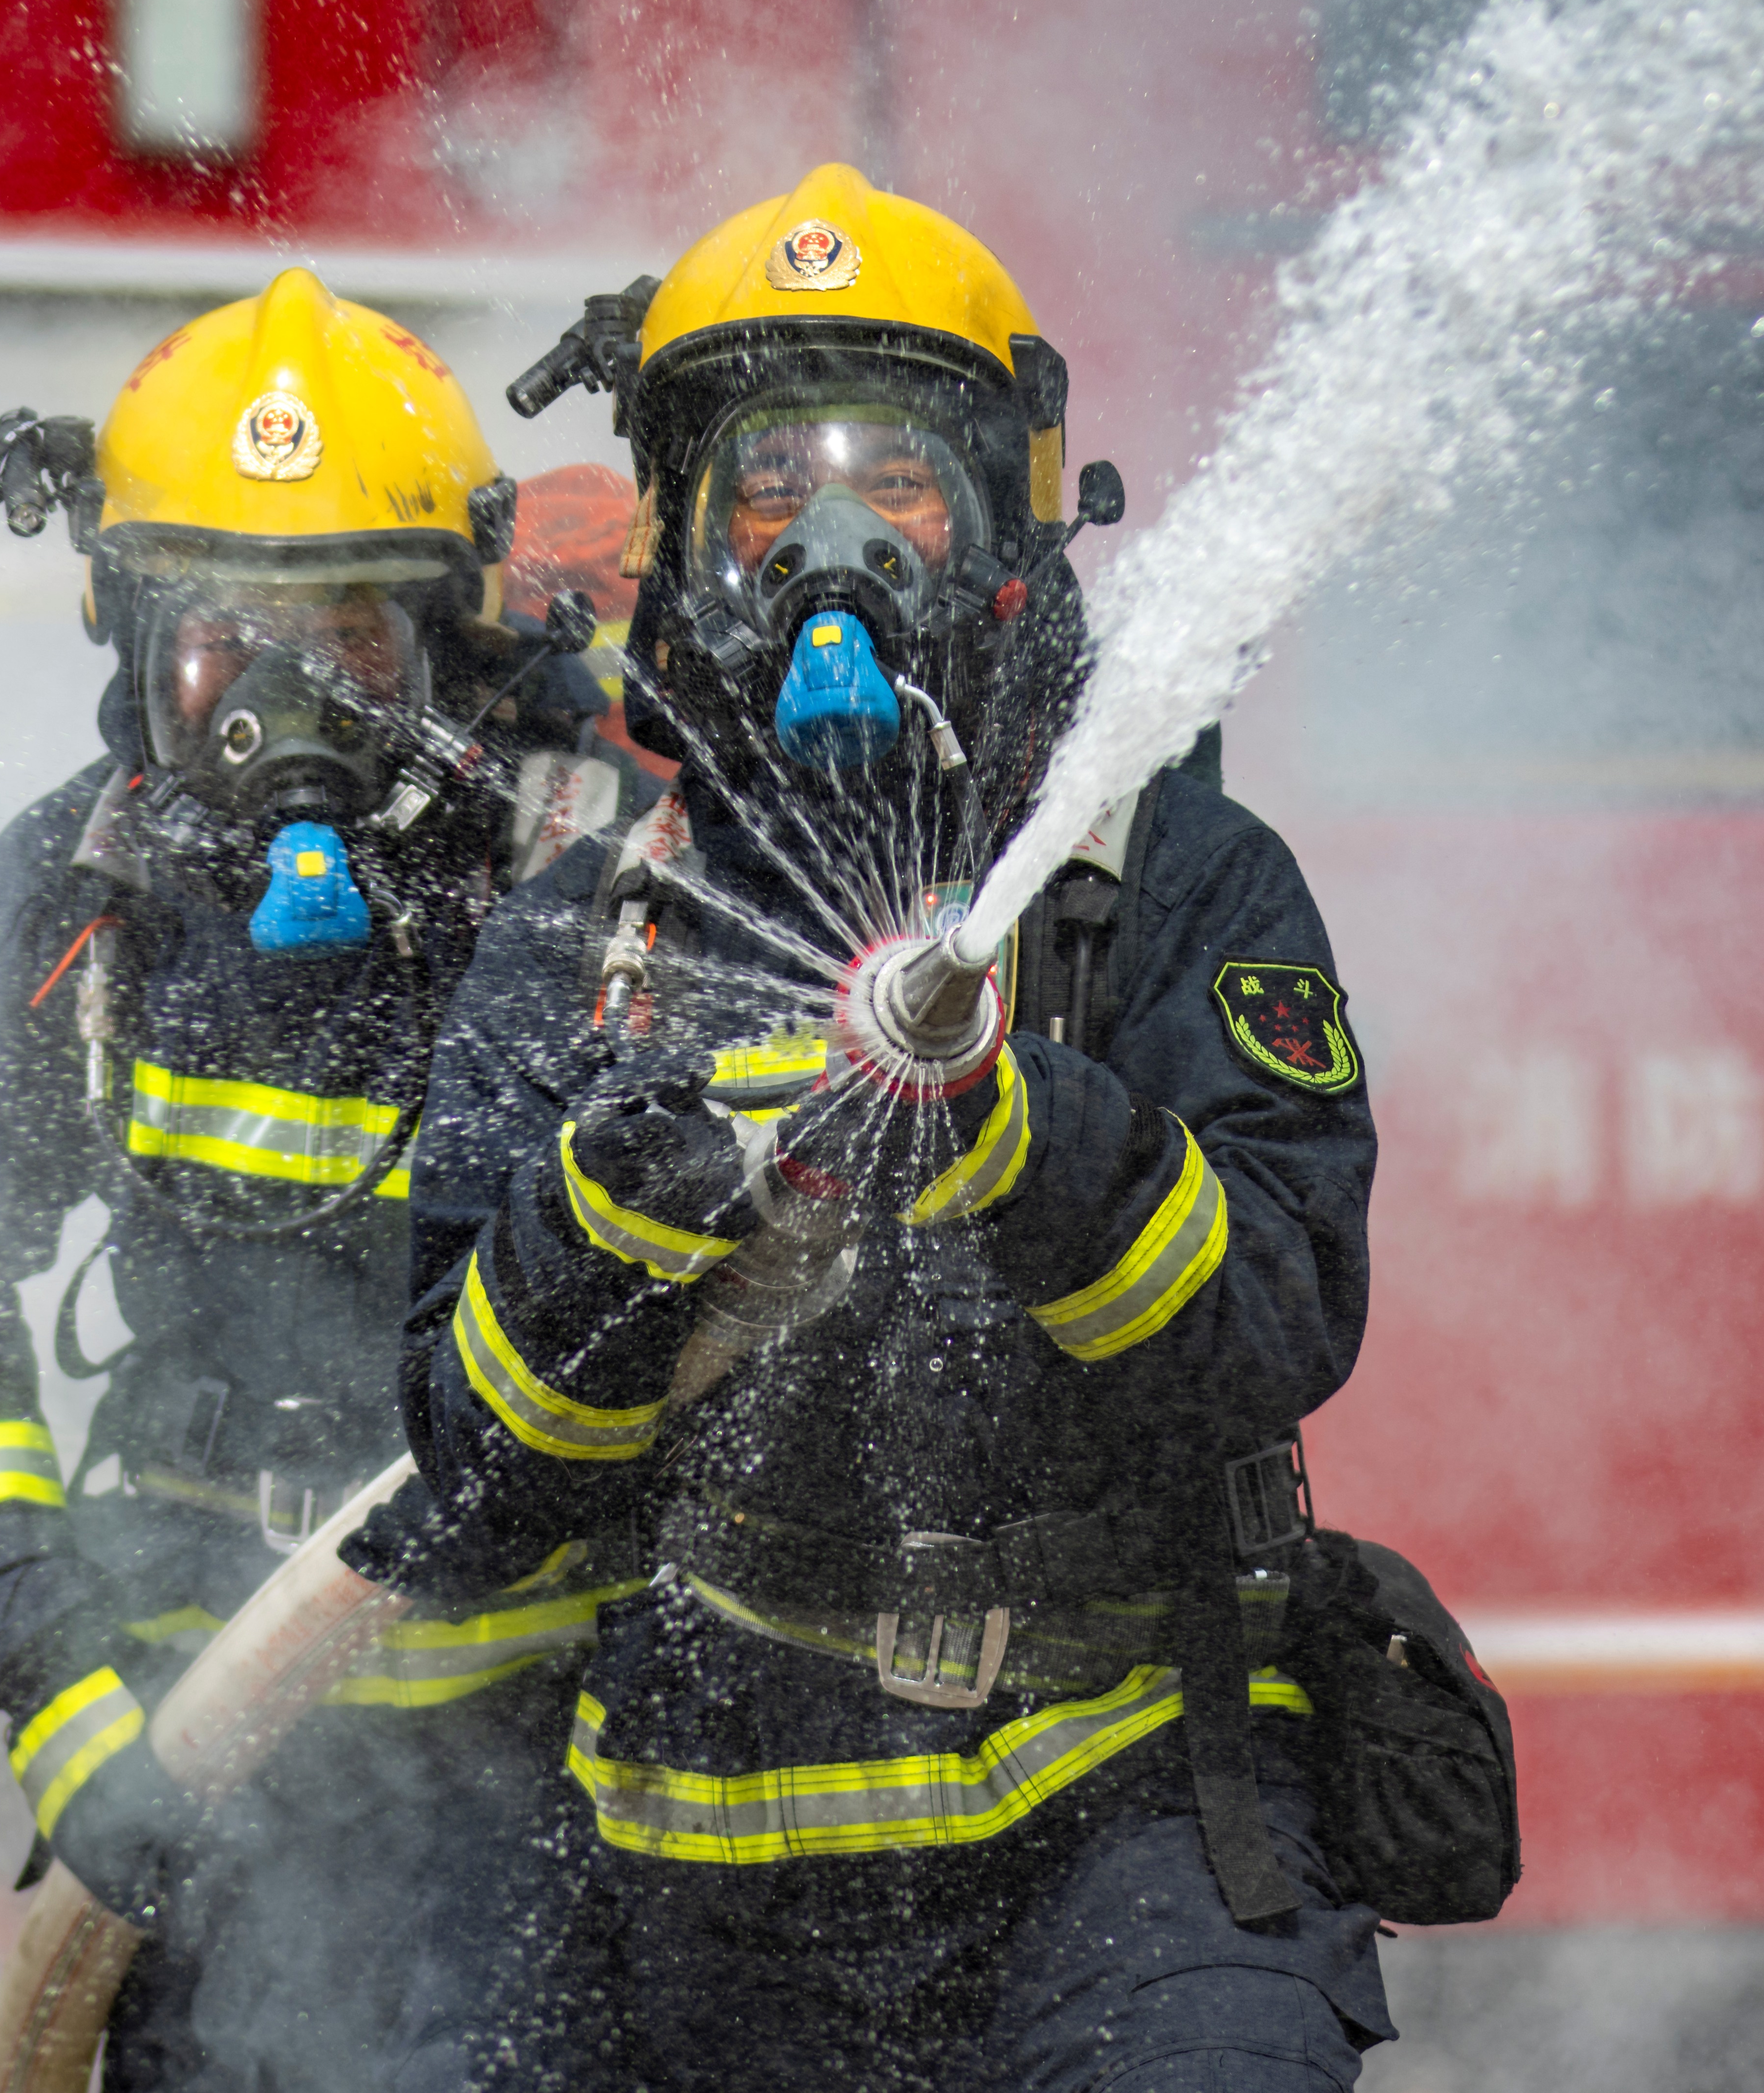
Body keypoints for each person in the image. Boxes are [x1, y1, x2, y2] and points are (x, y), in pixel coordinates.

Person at [401, 165, 1395, 2090]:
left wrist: (1020, 1133)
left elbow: (1278, 1311)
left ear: (1007, 528)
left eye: (894, 488)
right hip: (700, 1863)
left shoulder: (1157, 879)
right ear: (683, 543)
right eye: (768, 492)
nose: (826, 549)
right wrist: (593, 1234)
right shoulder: (594, 924)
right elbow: (462, 1479)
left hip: (1127, 1822)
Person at [0, 270, 635, 2092]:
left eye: (349, 644)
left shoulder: (589, 893)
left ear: (454, 640)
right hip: (203, 1743)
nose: (285, 713)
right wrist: (66, 1710)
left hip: (537, 1757)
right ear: (124, 638)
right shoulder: (67, 912)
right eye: (219, 649)